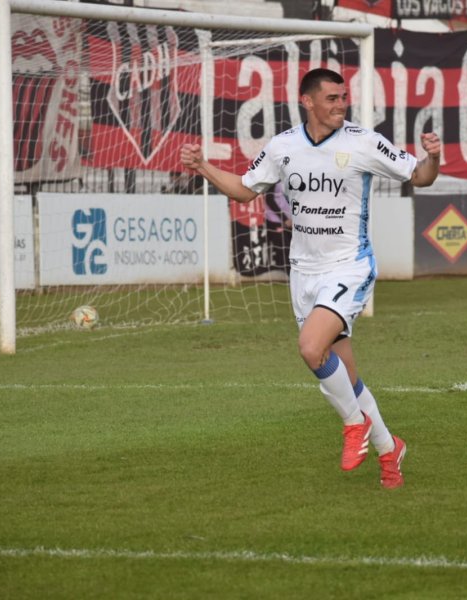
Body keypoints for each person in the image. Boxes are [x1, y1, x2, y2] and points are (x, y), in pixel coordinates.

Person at [181, 68, 441, 488]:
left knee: (310, 347)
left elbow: (420, 176)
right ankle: (389, 448)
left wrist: (433, 157)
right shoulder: (283, 147)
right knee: (345, 376)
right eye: (332, 98)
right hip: (303, 273)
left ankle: (354, 425)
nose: (341, 105)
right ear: (308, 101)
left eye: (344, 97)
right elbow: (245, 189)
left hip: (348, 266)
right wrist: (203, 166)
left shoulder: (363, 142)